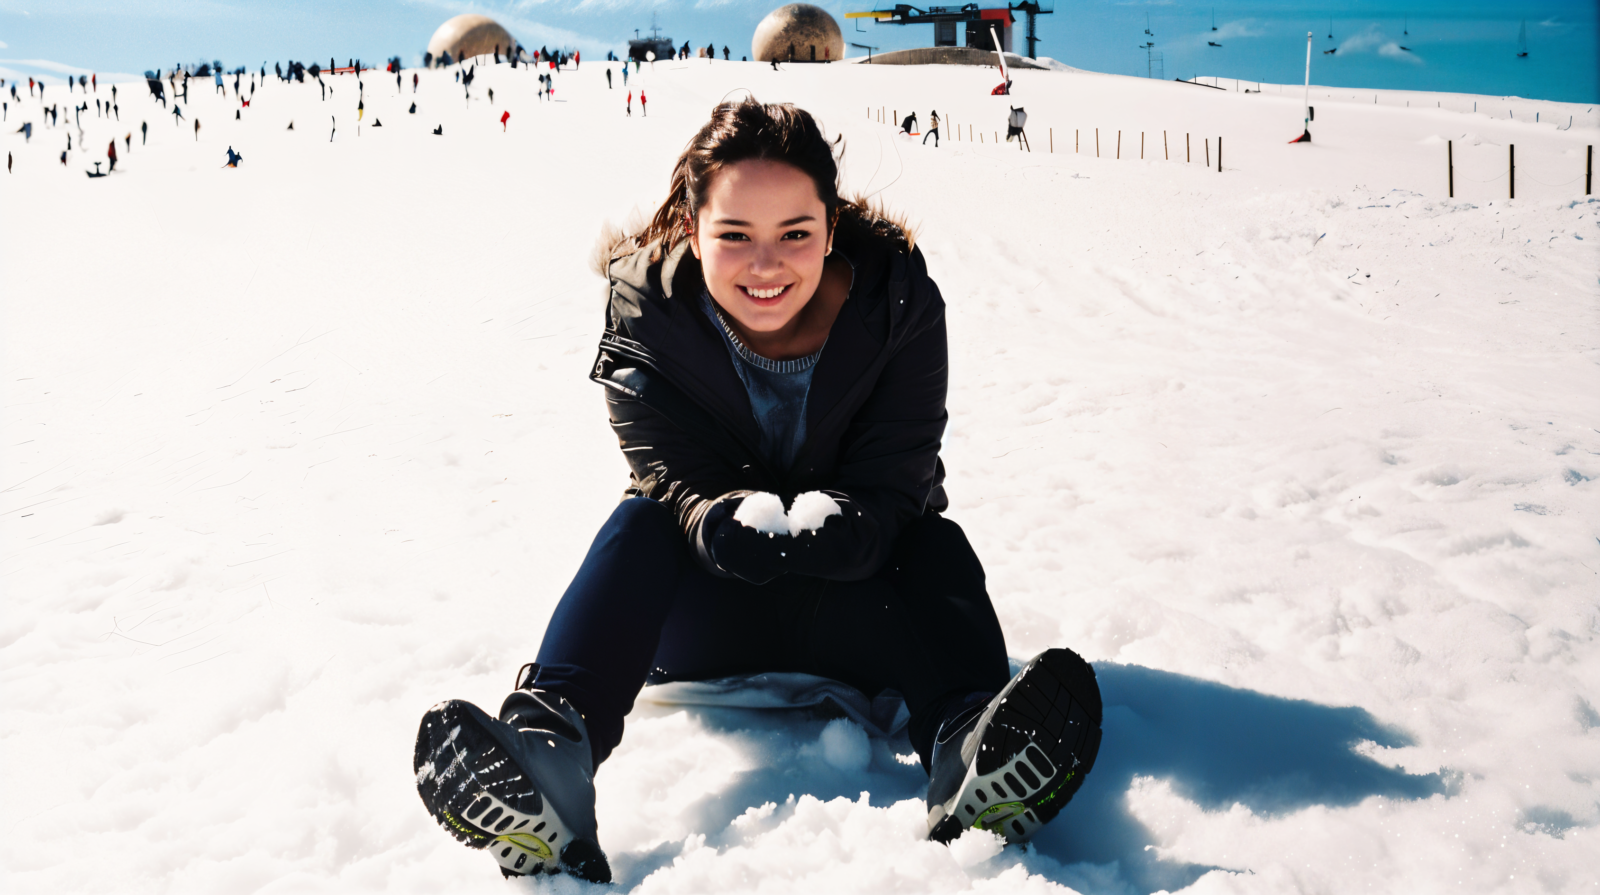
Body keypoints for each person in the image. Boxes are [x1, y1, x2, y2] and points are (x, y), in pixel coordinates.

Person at [412, 97, 1103, 884]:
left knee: (929, 539)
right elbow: (663, 473)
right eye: (734, 235)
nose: (766, 265)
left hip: (866, 614)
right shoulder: (648, 311)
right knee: (639, 525)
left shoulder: (898, 304)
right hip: (704, 622)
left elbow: (900, 473)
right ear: (691, 226)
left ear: (831, 227)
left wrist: (854, 529)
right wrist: (709, 522)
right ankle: (549, 755)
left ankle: (968, 746)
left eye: (795, 235)